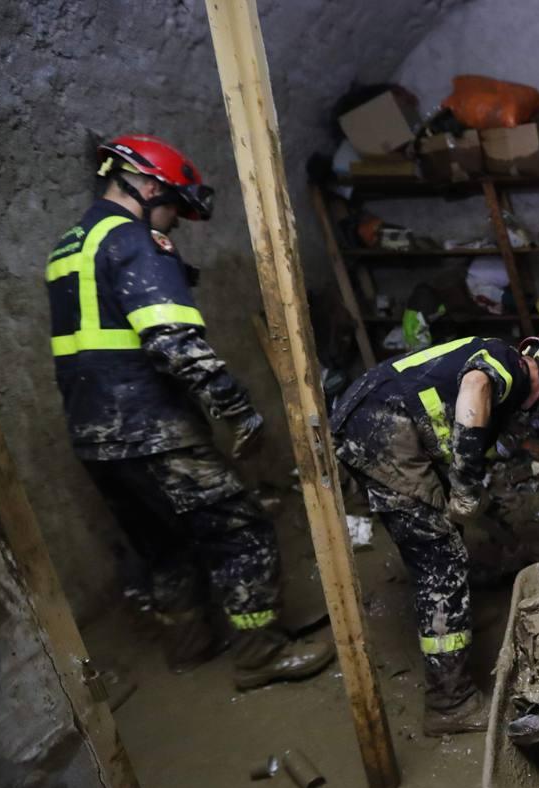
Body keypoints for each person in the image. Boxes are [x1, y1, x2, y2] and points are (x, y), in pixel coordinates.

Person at [46, 134, 334, 688]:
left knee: (162, 543)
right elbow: (172, 341)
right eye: (174, 203)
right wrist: (237, 409)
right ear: (147, 184)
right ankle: (260, 653)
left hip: (92, 432)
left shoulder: (70, 245)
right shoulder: (135, 241)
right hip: (152, 428)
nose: (175, 218)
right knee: (243, 530)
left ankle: (189, 645)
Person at [330, 332, 539, 734]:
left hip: (367, 417)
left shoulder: (486, 361)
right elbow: (476, 387)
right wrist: (465, 484)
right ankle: (451, 702)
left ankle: (461, 607)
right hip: (385, 431)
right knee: (440, 562)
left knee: (439, 534)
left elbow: (472, 435)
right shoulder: (510, 365)